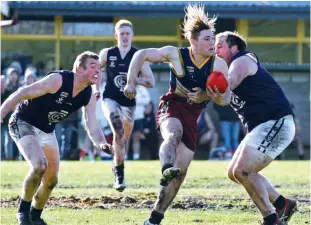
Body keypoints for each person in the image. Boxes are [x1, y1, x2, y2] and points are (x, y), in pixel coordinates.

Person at [124, 5, 231, 225]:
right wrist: (130, 81)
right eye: (207, 39)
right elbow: (141, 54)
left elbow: (225, 99)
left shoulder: (218, 64)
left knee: (180, 174)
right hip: (172, 105)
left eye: (213, 39)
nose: (213, 43)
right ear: (193, 41)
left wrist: (208, 94)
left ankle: (155, 217)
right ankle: (165, 167)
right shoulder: (176, 54)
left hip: (194, 114)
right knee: (173, 134)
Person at [0, 51, 112, 225]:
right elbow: (23, 92)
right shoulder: (58, 80)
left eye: (99, 68)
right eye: (92, 67)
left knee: (51, 180)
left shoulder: (88, 94)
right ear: (79, 68)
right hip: (24, 122)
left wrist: (102, 143)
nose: (98, 71)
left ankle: (35, 216)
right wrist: (2, 111)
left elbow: (92, 123)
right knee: (39, 166)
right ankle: (23, 213)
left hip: (46, 130)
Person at [215, 31, 297, 225]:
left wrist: (207, 88)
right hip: (262, 127)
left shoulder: (242, 60)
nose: (215, 50)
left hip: (275, 122)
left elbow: (228, 85)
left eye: (220, 46)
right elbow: (221, 97)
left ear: (233, 48)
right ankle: (282, 203)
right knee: (234, 172)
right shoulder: (227, 65)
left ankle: (271, 219)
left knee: (243, 171)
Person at [97, 19, 154, 192]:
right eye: (121, 33)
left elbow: (151, 81)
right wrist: (94, 89)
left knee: (121, 140)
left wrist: (134, 81)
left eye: (127, 33)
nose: (124, 37)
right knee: (117, 129)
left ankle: (117, 167)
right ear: (116, 36)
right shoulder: (107, 53)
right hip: (110, 98)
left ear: (132, 36)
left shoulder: (139, 57)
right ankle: (119, 175)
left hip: (129, 102)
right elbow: (96, 71)